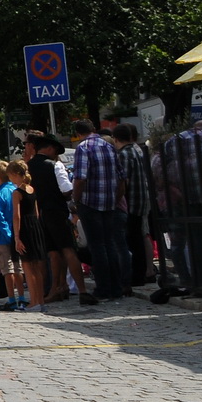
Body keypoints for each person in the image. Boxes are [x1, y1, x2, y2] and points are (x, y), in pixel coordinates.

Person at [70, 119, 129, 306]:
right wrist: (116, 198)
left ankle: (103, 288)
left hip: (90, 202)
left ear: (78, 133)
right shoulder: (109, 146)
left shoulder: (83, 148)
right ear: (94, 129)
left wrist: (76, 200)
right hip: (109, 202)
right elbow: (122, 179)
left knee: (97, 247)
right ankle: (116, 287)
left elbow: (80, 179)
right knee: (110, 244)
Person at [24, 132, 77, 303]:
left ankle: (54, 288)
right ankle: (66, 286)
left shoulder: (28, 167)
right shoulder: (54, 165)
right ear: (50, 148)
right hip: (58, 212)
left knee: (52, 253)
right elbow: (66, 189)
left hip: (40, 213)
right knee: (67, 250)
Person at [113, 123, 156, 287]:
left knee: (133, 240)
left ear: (116, 139)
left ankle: (137, 276)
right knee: (142, 236)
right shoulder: (138, 150)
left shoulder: (124, 154)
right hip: (142, 199)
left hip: (131, 201)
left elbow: (125, 181)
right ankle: (147, 271)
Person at [9, 161, 48, 312]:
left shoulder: (17, 192)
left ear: (15, 174)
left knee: (27, 266)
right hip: (35, 227)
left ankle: (33, 302)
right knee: (36, 267)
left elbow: (16, 216)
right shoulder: (32, 189)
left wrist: (17, 237)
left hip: (24, 228)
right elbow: (37, 213)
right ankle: (40, 301)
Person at [0, 161, 20, 311]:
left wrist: (7, 234)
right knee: (18, 267)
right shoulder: (15, 189)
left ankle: (11, 299)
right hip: (17, 234)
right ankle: (21, 297)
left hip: (2, 237)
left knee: (7, 269)